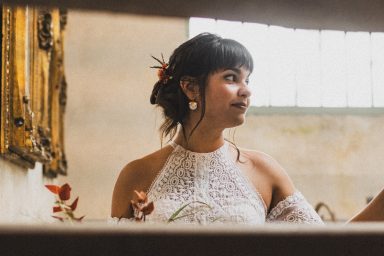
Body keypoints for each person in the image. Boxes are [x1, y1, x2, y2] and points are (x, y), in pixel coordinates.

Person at [111, 33, 384, 224]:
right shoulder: (137, 174)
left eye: (248, 79)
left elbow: (327, 249)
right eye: (231, 77)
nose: (246, 90)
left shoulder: (264, 170)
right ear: (191, 87)